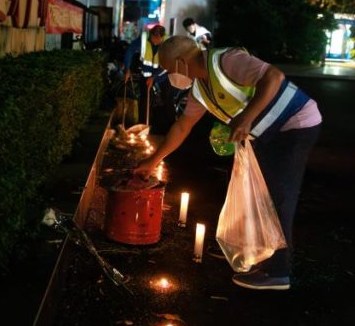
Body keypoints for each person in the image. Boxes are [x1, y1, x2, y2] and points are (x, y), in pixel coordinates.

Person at [134, 36, 322, 291]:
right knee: (255, 193)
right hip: (265, 133)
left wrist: (246, 117)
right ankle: (247, 249)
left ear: (181, 61)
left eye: (169, 68)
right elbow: (182, 127)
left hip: (295, 124)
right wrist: (152, 160)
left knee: (278, 197)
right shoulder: (199, 89)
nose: (170, 75)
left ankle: (278, 271)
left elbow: (274, 76)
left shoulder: (227, 60)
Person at [123, 25, 170, 131]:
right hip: (145, 76)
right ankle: (143, 125)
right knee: (144, 102)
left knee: (163, 102)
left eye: (158, 39)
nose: (155, 42)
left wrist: (155, 77)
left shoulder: (167, 43)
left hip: (161, 77)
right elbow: (130, 50)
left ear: (162, 37)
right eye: (154, 38)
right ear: (151, 35)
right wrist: (127, 68)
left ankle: (161, 129)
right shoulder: (143, 39)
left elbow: (168, 64)